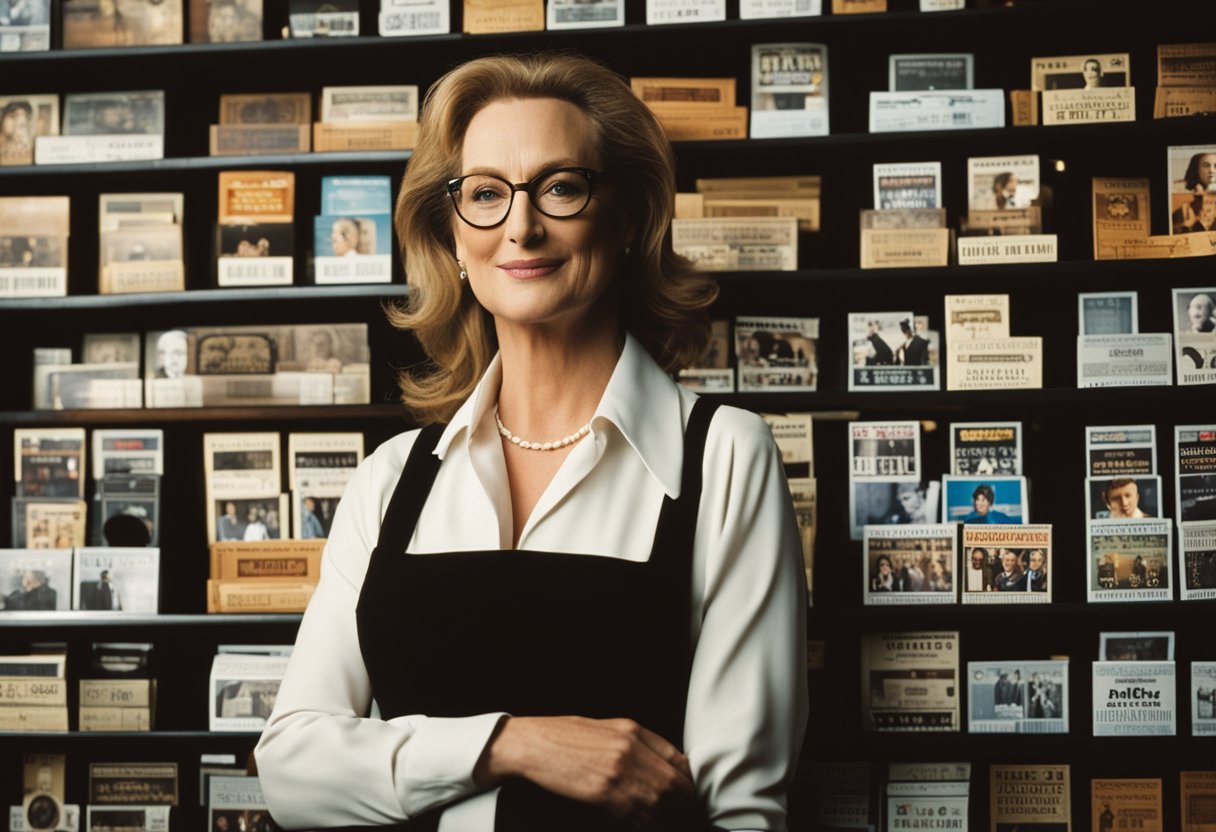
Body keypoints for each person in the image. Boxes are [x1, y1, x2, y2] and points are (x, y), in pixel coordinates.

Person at [255, 52, 807, 831]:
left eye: (560, 186)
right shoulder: (391, 481)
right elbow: (291, 771)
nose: (520, 226)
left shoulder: (723, 458)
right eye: (484, 193)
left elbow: (740, 814)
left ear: (625, 220)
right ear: (452, 235)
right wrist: (512, 744)